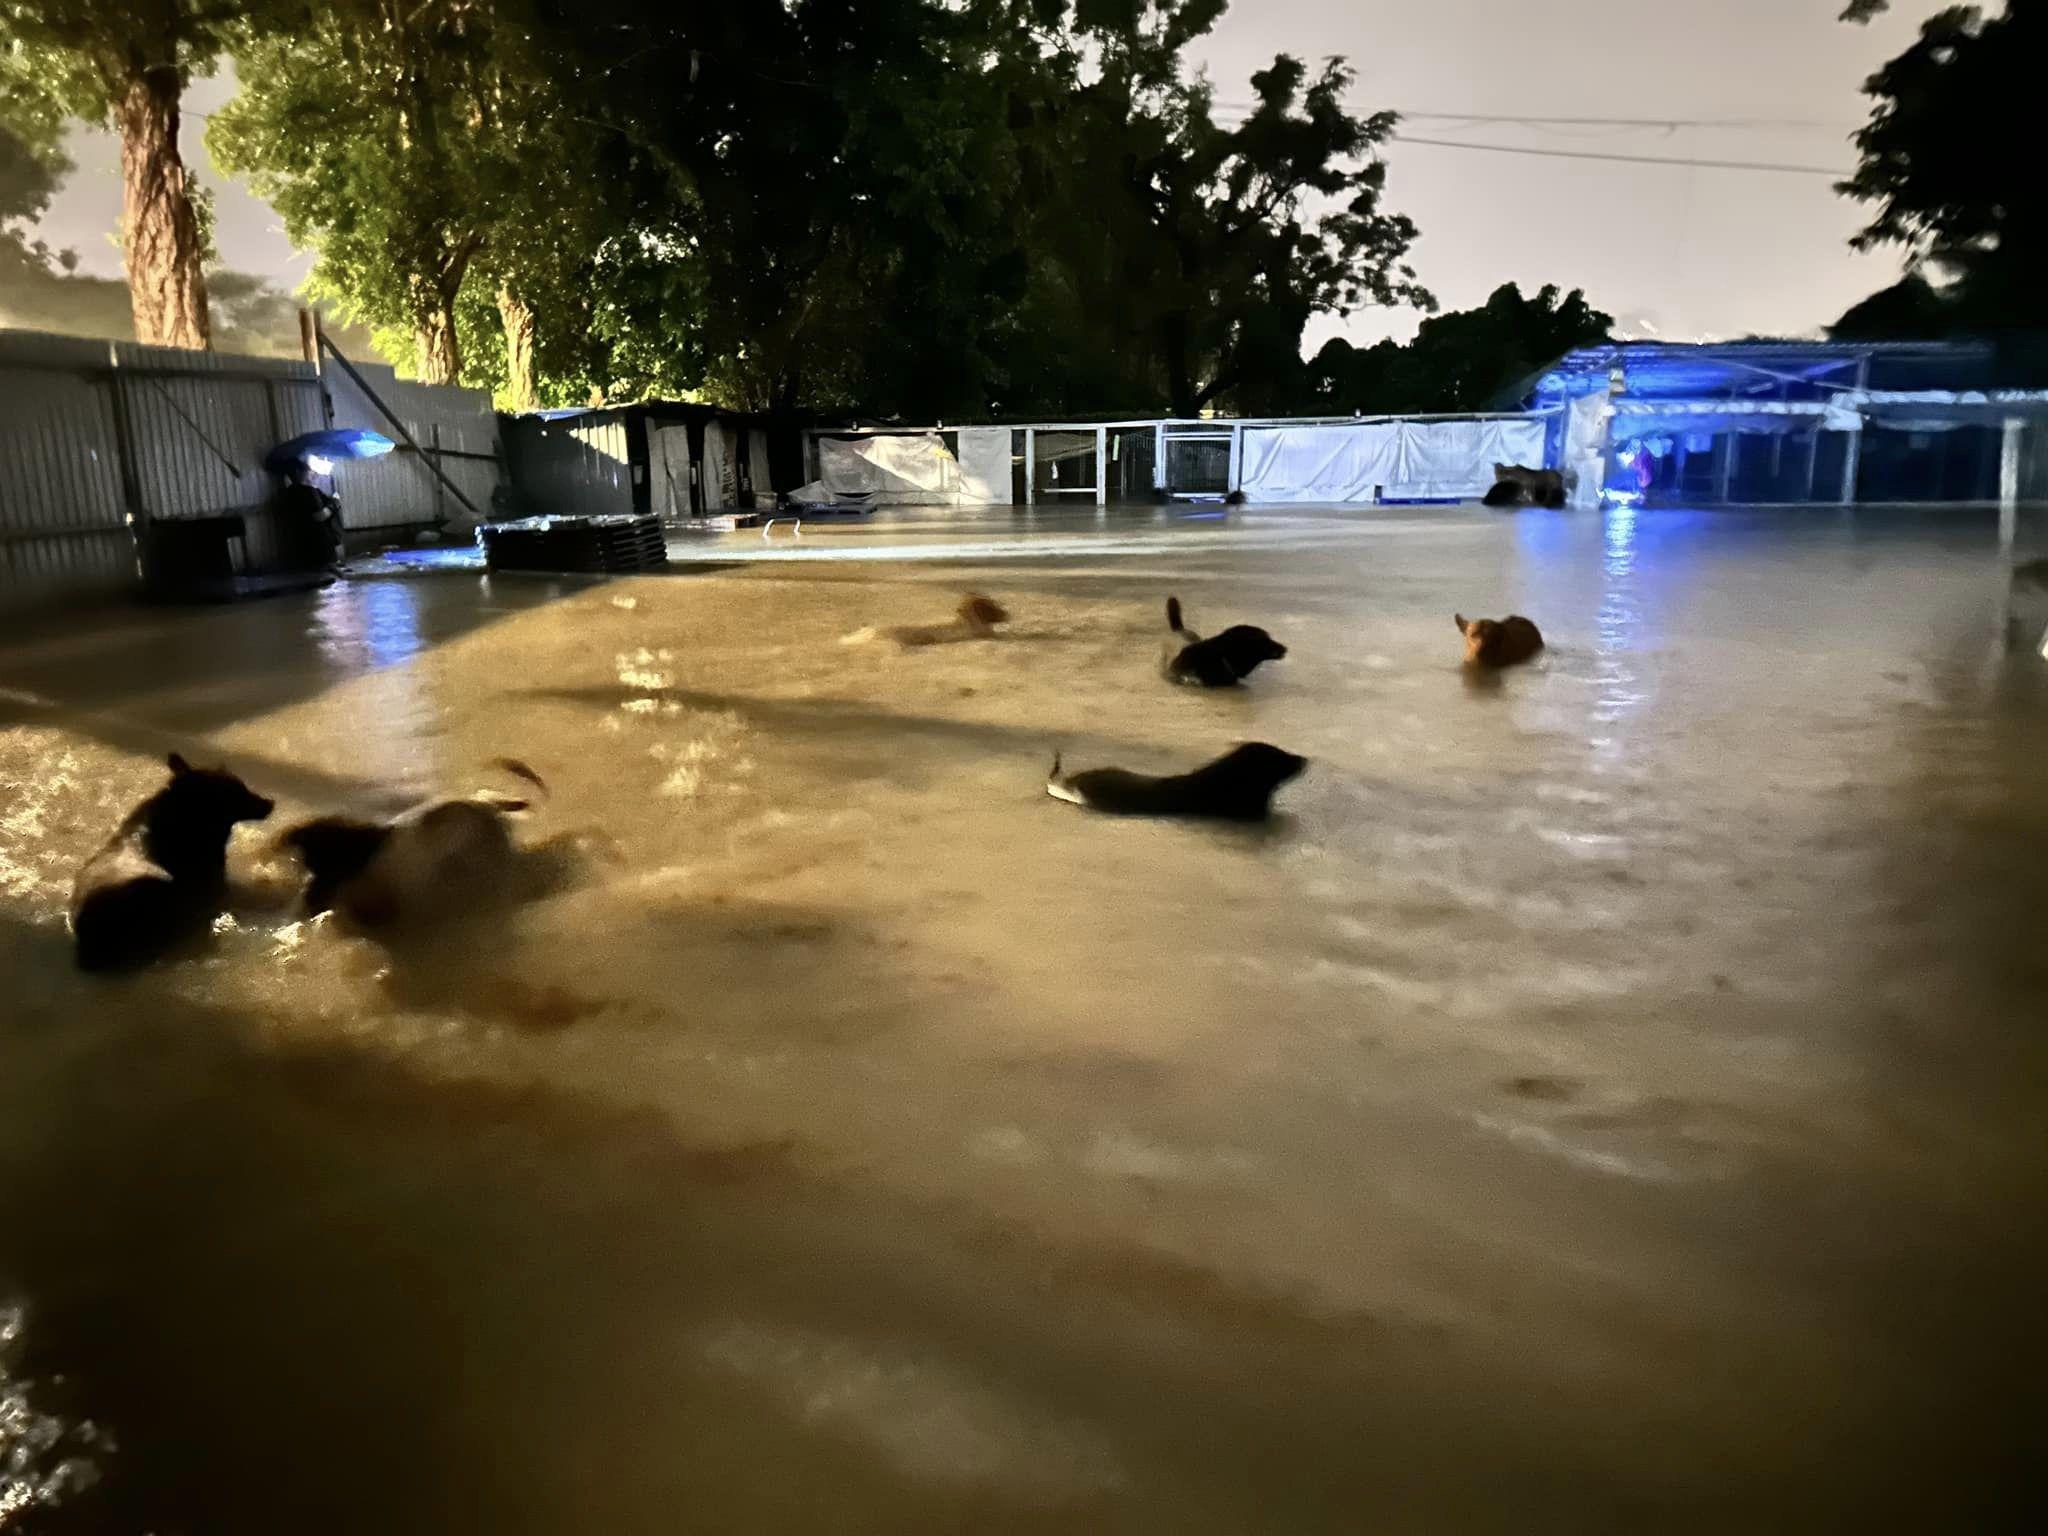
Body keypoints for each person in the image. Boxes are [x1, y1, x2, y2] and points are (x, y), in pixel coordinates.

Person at [277, 461, 343, 571]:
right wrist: (334, 504)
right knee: (328, 579)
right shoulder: (309, 491)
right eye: (307, 471)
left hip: (299, 546)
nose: (309, 474)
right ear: (298, 472)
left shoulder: (286, 494)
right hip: (320, 545)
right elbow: (320, 516)